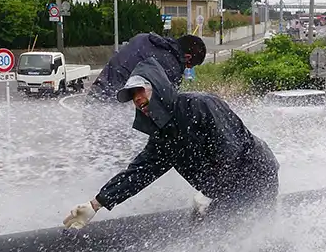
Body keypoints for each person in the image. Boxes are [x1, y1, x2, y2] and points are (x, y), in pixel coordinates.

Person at [64, 58, 279, 230]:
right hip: (223, 188)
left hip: (256, 174)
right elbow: (137, 174)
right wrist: (96, 204)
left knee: (248, 230)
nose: (137, 99)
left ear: (157, 87)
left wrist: (209, 192)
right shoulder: (162, 137)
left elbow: (230, 150)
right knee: (205, 232)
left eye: (141, 90)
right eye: (132, 96)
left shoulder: (200, 105)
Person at [87, 32, 207, 101]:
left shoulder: (144, 38)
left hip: (95, 96)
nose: (186, 69)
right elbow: (166, 105)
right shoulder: (171, 68)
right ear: (187, 57)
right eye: (188, 66)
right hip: (113, 106)